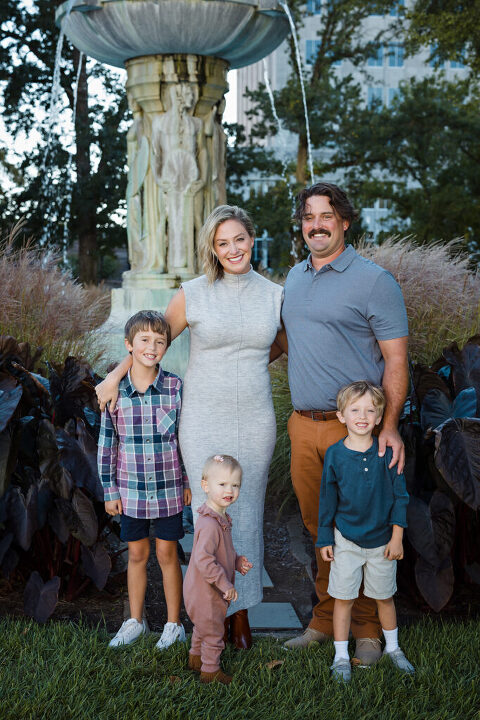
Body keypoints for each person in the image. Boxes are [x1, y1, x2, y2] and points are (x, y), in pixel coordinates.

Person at [95, 205, 284, 649]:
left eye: (239, 239)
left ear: (251, 238)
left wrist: (246, 368)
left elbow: (281, 344)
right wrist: (114, 376)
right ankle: (208, 613)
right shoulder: (193, 293)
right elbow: (151, 342)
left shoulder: (275, 294)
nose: (232, 249)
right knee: (208, 516)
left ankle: (241, 614)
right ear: (212, 249)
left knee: (246, 511)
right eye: (222, 243)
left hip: (255, 416)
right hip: (202, 416)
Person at [280, 182, 409, 665]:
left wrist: (389, 426)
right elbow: (286, 341)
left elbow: (396, 360)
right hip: (303, 426)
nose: (316, 225)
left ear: (345, 222)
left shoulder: (374, 281)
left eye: (326, 216)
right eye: (308, 216)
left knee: (361, 529)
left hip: (355, 432)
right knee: (319, 527)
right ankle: (323, 619)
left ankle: (369, 633)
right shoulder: (294, 278)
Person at [97, 310, 191, 649]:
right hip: (131, 491)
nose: (152, 347)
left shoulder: (175, 387)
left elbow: (184, 439)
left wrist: (187, 482)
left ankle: (174, 625)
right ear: (129, 344)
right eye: (145, 340)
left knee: (167, 554)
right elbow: (107, 444)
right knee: (136, 554)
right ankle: (134, 621)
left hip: (168, 489)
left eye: (160, 341)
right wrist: (109, 490)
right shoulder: (115, 392)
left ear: (167, 346)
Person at [317, 381, 414, 682]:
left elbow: (400, 496)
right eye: (355, 410)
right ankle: (341, 656)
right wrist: (325, 536)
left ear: (379, 417)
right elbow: (327, 498)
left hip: (382, 541)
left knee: (384, 597)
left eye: (370, 411)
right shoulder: (335, 455)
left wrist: (397, 537)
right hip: (345, 540)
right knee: (343, 598)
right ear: (341, 416)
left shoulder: (387, 453)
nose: (362, 416)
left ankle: (393, 649)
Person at [184, 454, 252, 685]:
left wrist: (237, 561)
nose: (229, 490)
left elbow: (222, 552)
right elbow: (204, 560)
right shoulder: (210, 524)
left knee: (202, 627)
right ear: (205, 486)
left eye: (235, 485)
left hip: (201, 590)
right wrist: (225, 584)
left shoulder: (219, 518)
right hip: (205, 592)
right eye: (222, 484)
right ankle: (210, 672)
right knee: (214, 633)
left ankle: (195, 659)